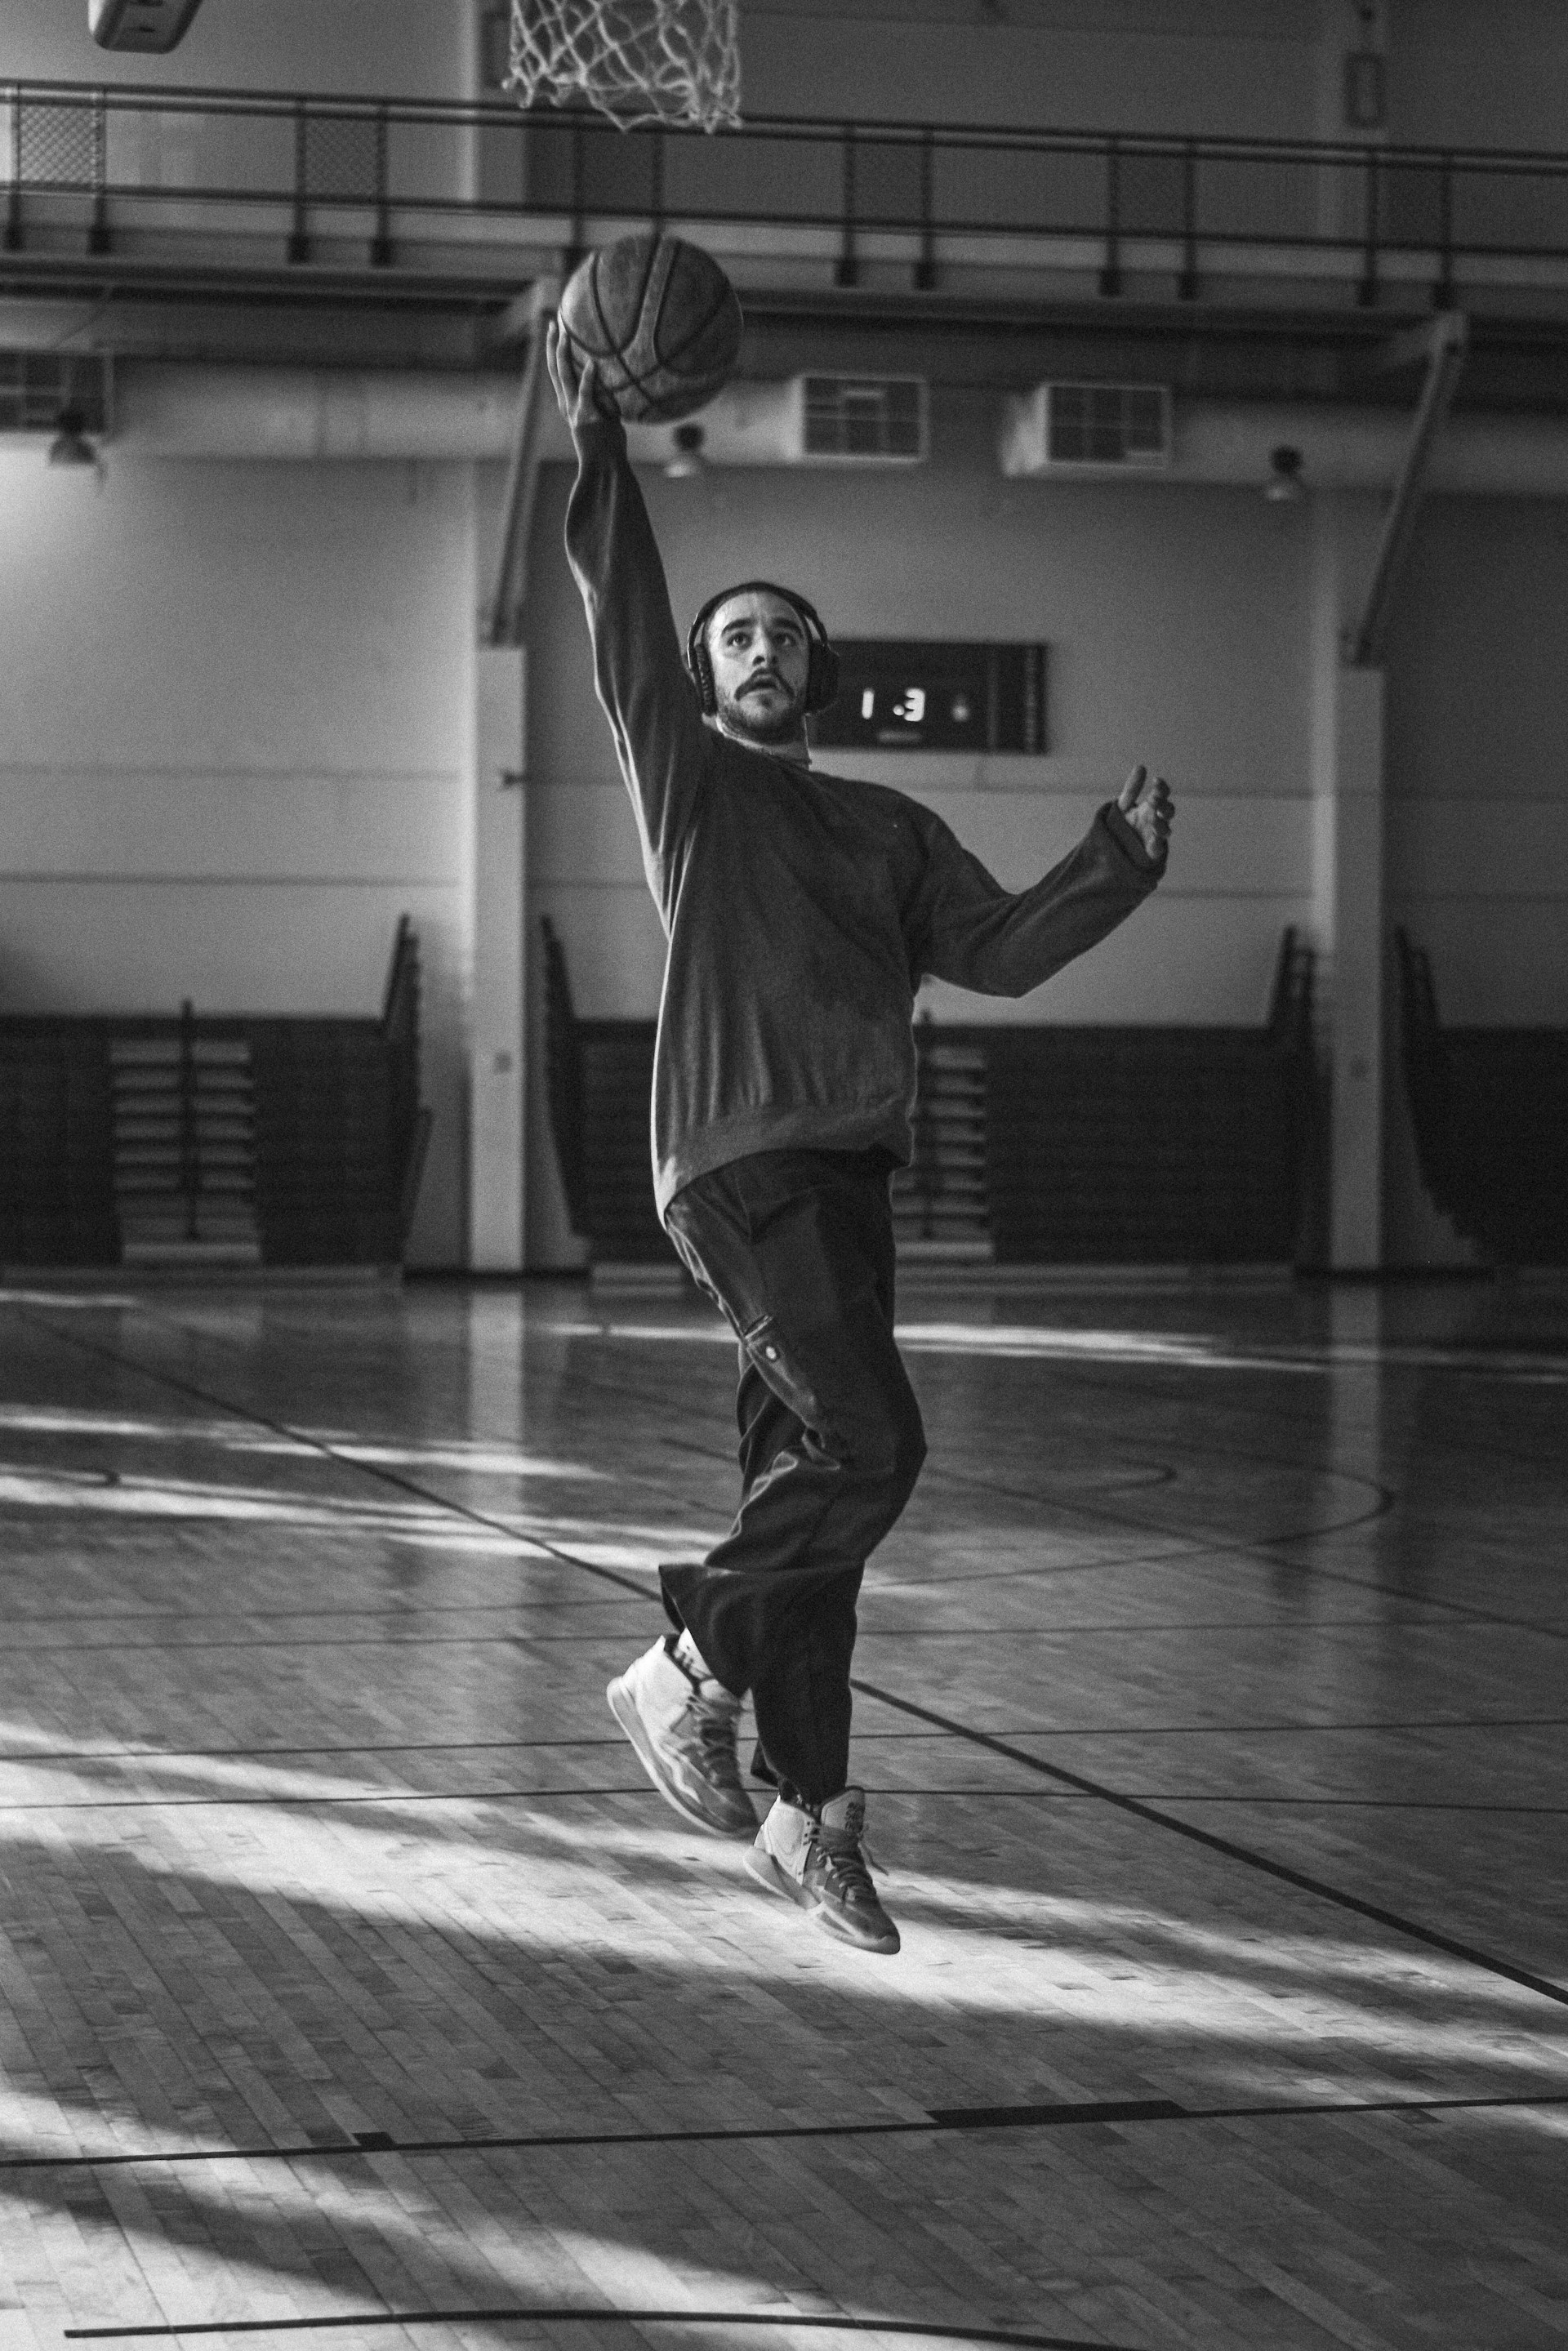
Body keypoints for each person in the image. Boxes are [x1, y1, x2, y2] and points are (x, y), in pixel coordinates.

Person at [547, 322, 1174, 1958]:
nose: (757, 650)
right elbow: (620, 621)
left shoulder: (892, 828)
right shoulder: (691, 784)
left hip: (848, 1185)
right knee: (877, 1449)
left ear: (816, 671)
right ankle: (680, 1667)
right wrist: (603, 455)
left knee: (818, 1492)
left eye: (781, 636)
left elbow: (1007, 951)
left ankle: (803, 1819)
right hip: (740, 1163)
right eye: (733, 635)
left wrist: (1114, 860)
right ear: (705, 679)